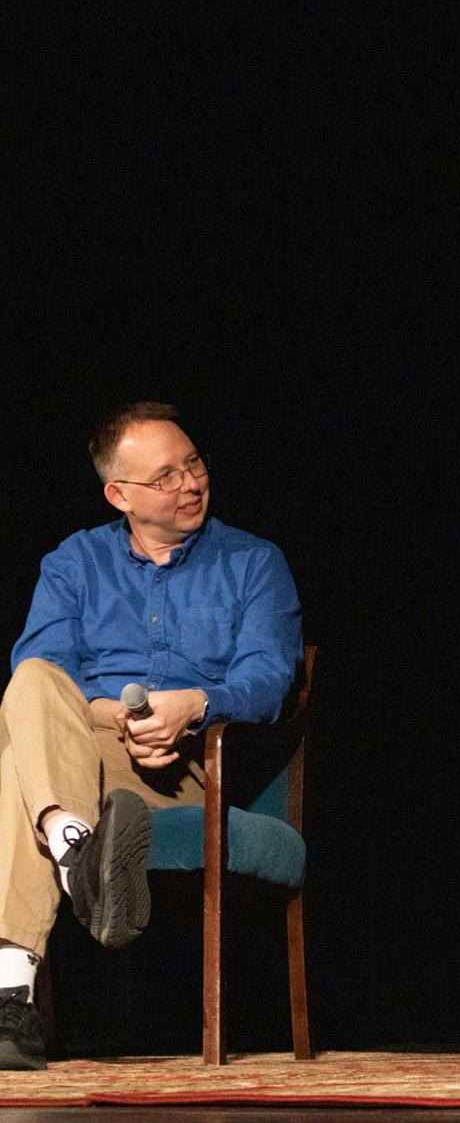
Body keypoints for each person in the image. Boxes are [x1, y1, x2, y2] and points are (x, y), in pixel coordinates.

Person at [0, 402, 301, 1071]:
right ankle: (78, 843)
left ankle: (9, 998)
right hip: (86, 752)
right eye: (166, 475)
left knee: (16, 762)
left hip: (194, 767)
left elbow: (271, 678)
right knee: (32, 682)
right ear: (121, 494)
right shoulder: (75, 561)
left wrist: (194, 704)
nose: (190, 483)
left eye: (193, 463)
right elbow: (43, 673)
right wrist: (120, 718)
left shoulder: (253, 562)